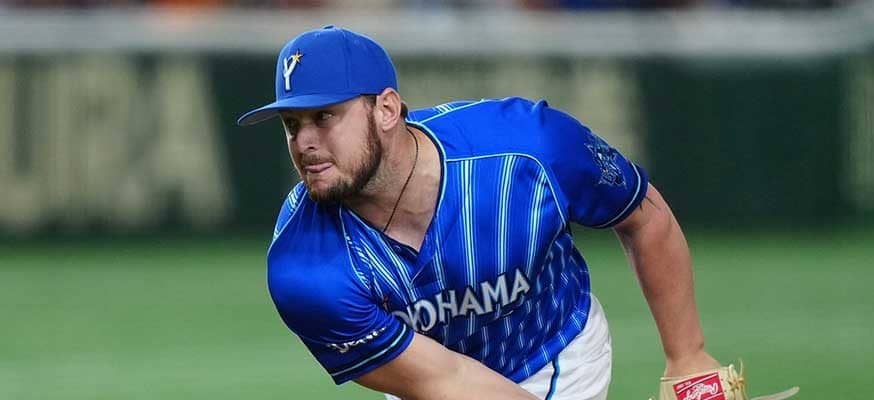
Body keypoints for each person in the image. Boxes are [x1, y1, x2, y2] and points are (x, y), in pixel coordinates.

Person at [237, 25, 721, 400]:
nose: (304, 142)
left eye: (324, 116)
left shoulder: (527, 150)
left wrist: (689, 359)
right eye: (291, 124)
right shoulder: (303, 266)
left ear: (386, 109)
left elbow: (644, 217)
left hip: (556, 353)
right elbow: (445, 380)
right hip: (434, 379)